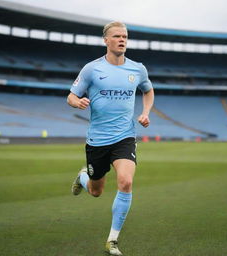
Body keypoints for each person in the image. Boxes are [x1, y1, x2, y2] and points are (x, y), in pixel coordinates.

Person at [67, 21, 154, 256]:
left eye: (124, 36)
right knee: (96, 191)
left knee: (125, 181)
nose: (122, 39)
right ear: (106, 40)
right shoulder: (92, 69)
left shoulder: (137, 69)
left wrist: (145, 113)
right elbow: (71, 96)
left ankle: (112, 240)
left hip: (125, 137)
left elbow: (148, 89)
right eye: (116, 36)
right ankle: (83, 177)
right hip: (97, 140)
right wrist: (79, 101)